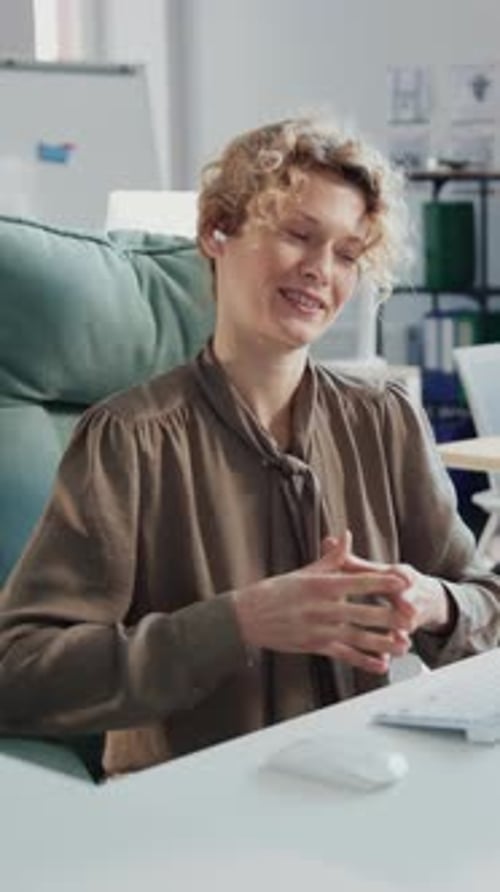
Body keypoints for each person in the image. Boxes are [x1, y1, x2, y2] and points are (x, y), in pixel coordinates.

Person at [0, 117, 499, 778]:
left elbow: (485, 599)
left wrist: (433, 602)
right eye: (298, 234)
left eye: (348, 253)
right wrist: (237, 622)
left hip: (358, 785)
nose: (322, 271)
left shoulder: (386, 420)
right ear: (217, 231)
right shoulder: (128, 439)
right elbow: (19, 671)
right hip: (190, 812)